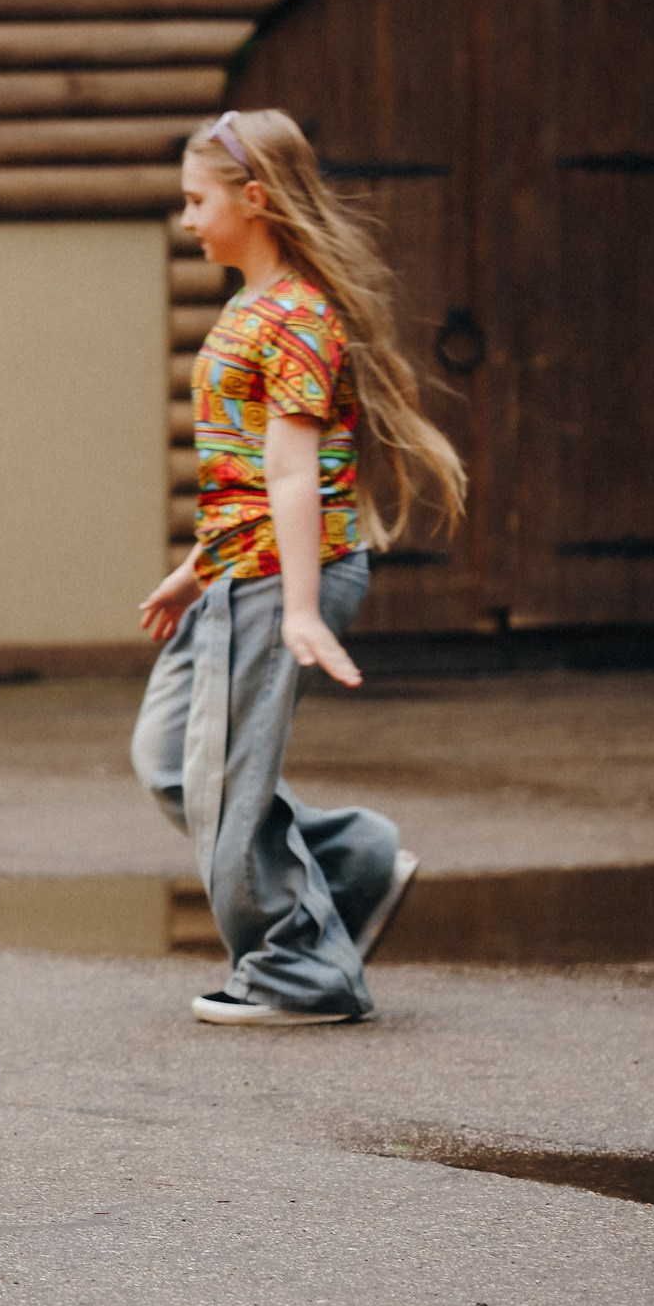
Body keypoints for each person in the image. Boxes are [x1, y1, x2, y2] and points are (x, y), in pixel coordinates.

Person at [133, 109, 467, 1027]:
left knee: (225, 779)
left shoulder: (299, 317)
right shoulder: (254, 307)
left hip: (282, 578)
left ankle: (300, 971)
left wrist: (302, 607)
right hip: (240, 572)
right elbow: (249, 471)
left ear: (256, 198)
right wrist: (195, 571)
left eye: (198, 201)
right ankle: (354, 864)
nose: (189, 219)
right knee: (169, 760)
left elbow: (295, 472)